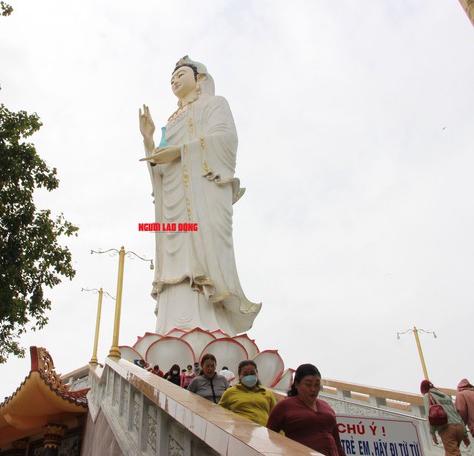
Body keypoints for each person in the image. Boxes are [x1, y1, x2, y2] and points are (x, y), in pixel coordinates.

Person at [139, 56, 261, 336]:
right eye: (171, 78)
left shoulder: (214, 105)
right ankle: (169, 327)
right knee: (174, 255)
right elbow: (158, 168)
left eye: (181, 74)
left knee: (203, 253)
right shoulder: (171, 122)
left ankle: (212, 325)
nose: (175, 81)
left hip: (203, 193)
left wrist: (183, 152)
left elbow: (226, 140)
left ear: (200, 78)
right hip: (173, 202)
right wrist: (149, 139)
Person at [266, 364, 346, 456]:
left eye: (317, 384)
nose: (313, 389)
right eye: (308, 384)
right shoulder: (284, 406)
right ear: (296, 384)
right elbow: (269, 436)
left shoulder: (326, 406)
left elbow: (338, 443)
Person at [218, 360, 276, 426]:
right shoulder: (230, 392)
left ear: (257, 373)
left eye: (252, 373)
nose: (249, 376)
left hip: (263, 432)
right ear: (239, 376)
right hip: (240, 431)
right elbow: (219, 412)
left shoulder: (267, 393)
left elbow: (276, 417)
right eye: (245, 374)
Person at [421, 379, 470, 456]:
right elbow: (457, 414)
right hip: (459, 427)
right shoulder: (446, 396)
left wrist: (432, 433)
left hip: (447, 428)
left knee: (452, 453)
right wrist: (465, 435)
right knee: (450, 452)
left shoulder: (427, 396)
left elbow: (429, 415)